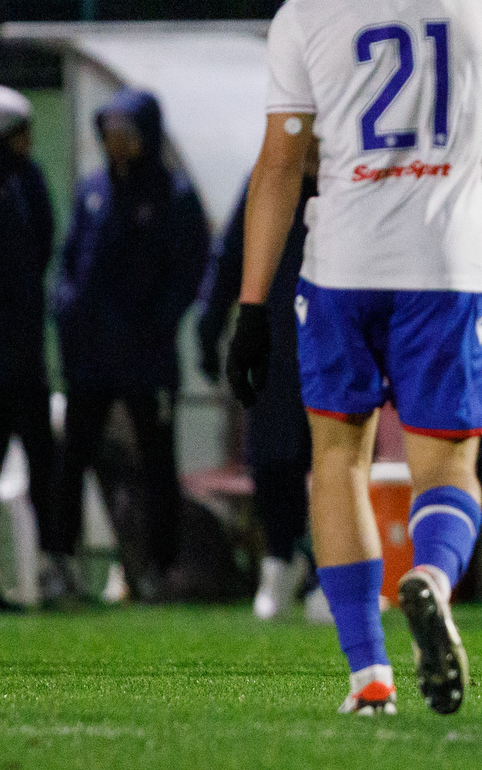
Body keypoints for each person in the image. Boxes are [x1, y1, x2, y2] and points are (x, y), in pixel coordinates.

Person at [224, 0, 482, 716]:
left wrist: (251, 306)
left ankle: (368, 674)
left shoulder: (304, 12)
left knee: (339, 462)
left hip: (345, 264)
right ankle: (434, 583)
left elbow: (280, 165)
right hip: (444, 262)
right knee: (448, 465)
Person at [53, 87, 209, 603]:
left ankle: (159, 569)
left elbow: (188, 272)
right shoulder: (93, 190)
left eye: (126, 130)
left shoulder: (174, 195)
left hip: (146, 357)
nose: (115, 141)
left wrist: (156, 325)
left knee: (156, 462)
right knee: (73, 457)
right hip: (91, 358)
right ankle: (61, 562)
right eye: (109, 130)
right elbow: (72, 261)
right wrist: (68, 313)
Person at [198, 145, 320, 621]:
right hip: (275, 339)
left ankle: (327, 569)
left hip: (335, 338)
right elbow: (231, 252)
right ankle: (279, 560)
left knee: (336, 458)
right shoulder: (268, 177)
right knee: (273, 459)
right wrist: (211, 328)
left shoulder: (350, 178)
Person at [0, 84, 60, 609]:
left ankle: (51, 565)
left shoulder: (26, 181)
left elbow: (41, 248)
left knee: (42, 459)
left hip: (24, 351)